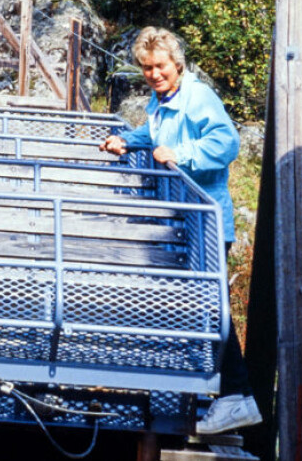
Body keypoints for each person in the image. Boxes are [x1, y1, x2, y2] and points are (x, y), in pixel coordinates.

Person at [99, 26, 262, 436]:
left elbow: (227, 144)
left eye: (161, 67)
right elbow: (156, 137)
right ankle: (212, 393)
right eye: (147, 68)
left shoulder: (198, 98)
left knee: (212, 310)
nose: (154, 74)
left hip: (206, 221)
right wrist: (126, 141)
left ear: (178, 65)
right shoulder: (162, 99)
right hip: (181, 220)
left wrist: (183, 155)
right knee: (198, 307)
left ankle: (237, 398)